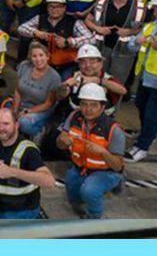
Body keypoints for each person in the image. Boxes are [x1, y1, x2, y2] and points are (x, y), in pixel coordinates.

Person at [56, 83, 126, 219]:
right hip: (80, 167)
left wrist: (103, 152)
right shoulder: (73, 117)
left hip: (106, 171)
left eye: (94, 105)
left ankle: (94, 216)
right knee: (73, 197)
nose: (88, 109)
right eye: (84, 104)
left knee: (89, 191)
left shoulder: (113, 129)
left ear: (102, 107)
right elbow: (60, 145)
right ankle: (86, 190)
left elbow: (117, 165)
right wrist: (61, 140)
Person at [125, 0, 157, 163]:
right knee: (140, 104)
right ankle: (148, 133)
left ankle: (142, 147)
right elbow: (131, 47)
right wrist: (136, 40)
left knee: (153, 113)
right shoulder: (150, 26)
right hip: (145, 76)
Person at [85, 0, 147, 87]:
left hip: (124, 54)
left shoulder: (139, 7)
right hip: (102, 49)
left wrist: (131, 31)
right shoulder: (101, 4)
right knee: (96, 83)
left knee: (116, 86)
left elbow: (146, 28)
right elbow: (87, 20)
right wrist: (98, 28)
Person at [17, 0, 96, 77]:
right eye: (51, 6)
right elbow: (21, 28)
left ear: (64, 8)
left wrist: (68, 42)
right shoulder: (40, 18)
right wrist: (36, 32)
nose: (54, 9)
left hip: (66, 63)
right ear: (47, 7)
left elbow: (91, 39)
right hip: (42, 61)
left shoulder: (74, 22)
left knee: (64, 82)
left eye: (58, 6)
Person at [13, 42, 62, 139]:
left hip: (42, 109)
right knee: (6, 115)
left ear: (47, 56)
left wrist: (28, 111)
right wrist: (14, 111)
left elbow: (49, 103)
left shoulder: (54, 77)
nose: (38, 59)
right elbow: (18, 91)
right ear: (30, 58)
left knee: (22, 123)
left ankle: (40, 132)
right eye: (34, 56)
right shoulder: (24, 66)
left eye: (41, 55)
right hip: (23, 104)